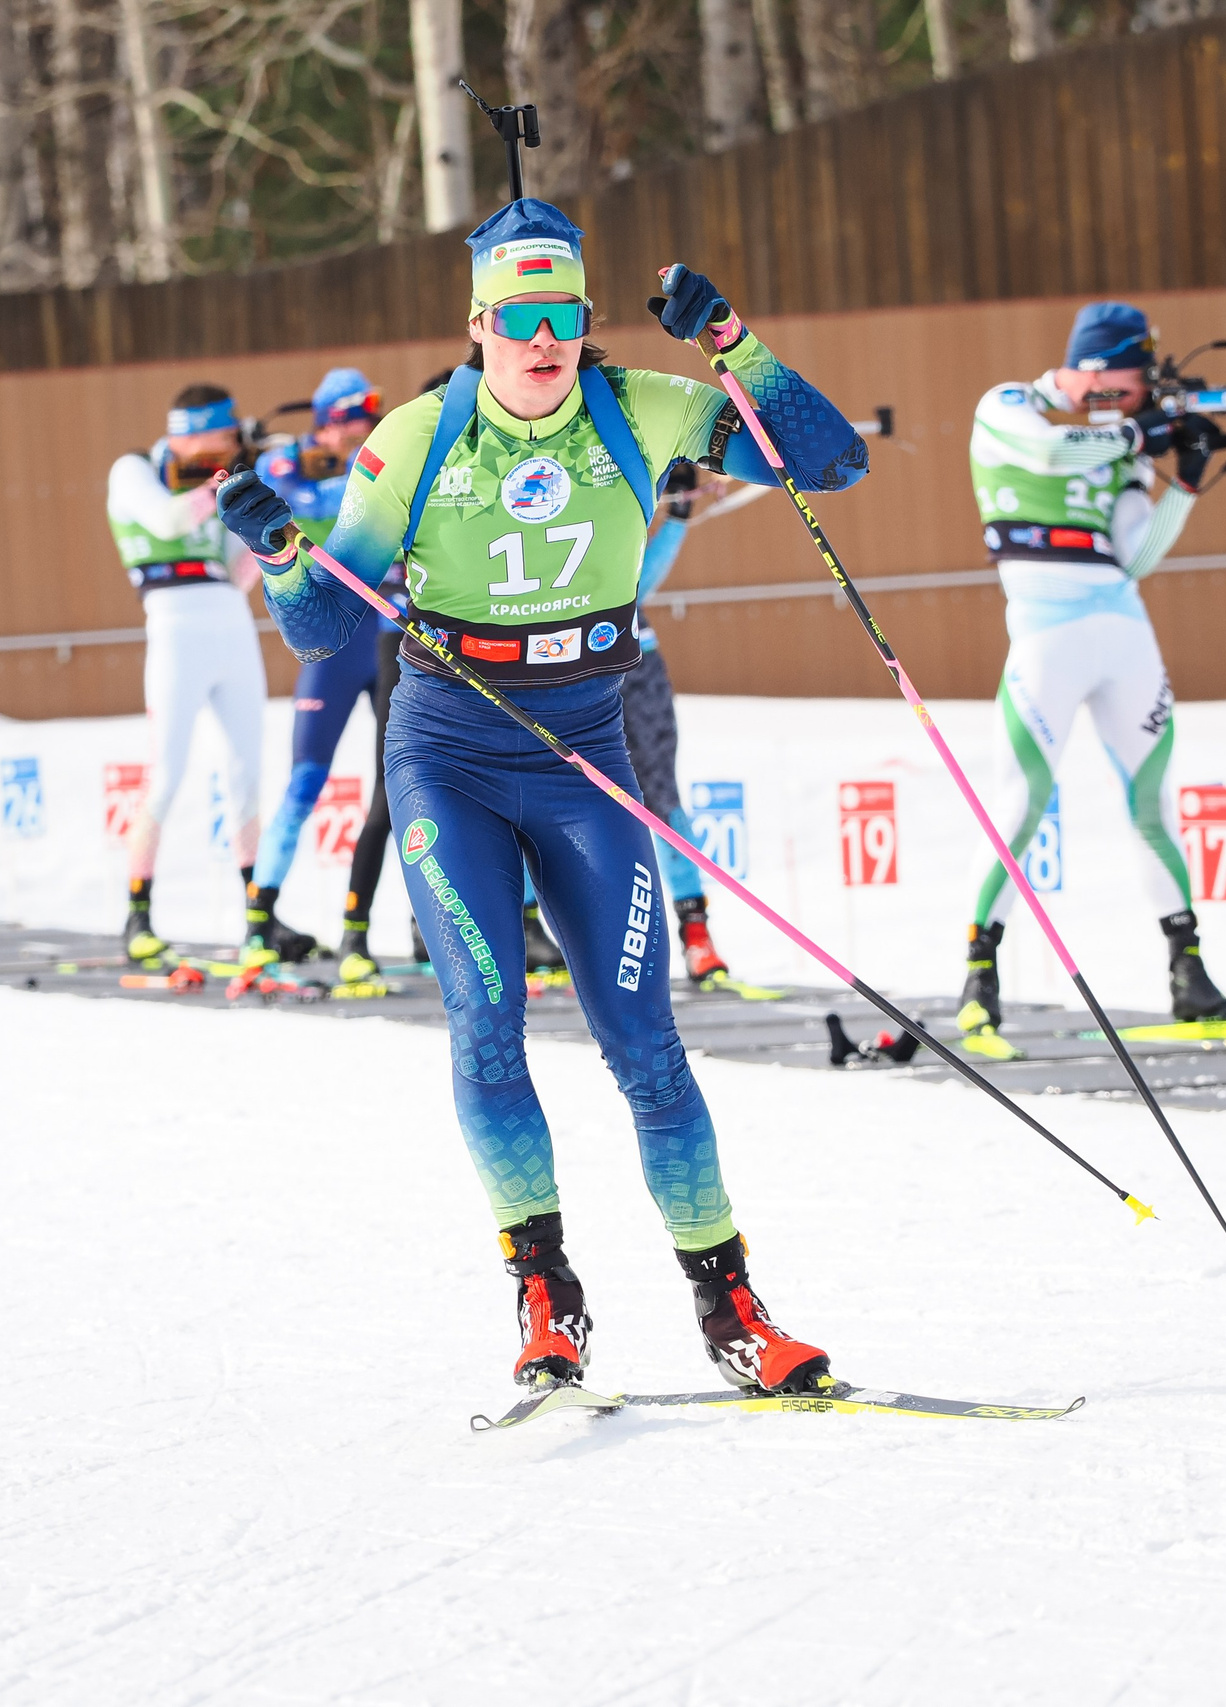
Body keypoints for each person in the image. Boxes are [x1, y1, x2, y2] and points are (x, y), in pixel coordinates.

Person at [214, 197, 868, 1394]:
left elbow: (832, 461)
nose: (543, 337)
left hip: (582, 753)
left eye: (563, 312)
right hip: (449, 757)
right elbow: (319, 633)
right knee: (488, 1017)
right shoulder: (416, 439)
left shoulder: (644, 408)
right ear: (479, 323)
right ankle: (545, 1295)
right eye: (518, 316)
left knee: (647, 1046)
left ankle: (731, 1309)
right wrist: (279, 556)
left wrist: (730, 341)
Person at [956, 300, 1226, 1058]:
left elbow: (1135, 553)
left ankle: (1190, 972)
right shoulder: (1010, 405)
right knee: (1024, 802)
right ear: (1097, 367)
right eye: (1134, 377)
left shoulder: (1120, 440)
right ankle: (980, 977)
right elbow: (1050, 454)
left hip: (1123, 627)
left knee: (1152, 804)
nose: (1143, 392)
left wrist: (1186, 480)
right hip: (1045, 634)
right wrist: (1139, 434)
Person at [111, 383, 265, 964]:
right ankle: (137, 914)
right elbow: (170, 520)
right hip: (173, 626)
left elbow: (233, 572)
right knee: (168, 772)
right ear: (199, 433)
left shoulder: (216, 478)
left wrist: (261, 513)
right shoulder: (133, 469)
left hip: (230, 622)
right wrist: (217, 485)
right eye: (227, 438)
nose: (231, 448)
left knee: (247, 772)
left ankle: (258, 918)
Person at [243, 368, 387, 967]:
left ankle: (378, 925)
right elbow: (290, 505)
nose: (365, 431)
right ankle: (258, 921)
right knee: (305, 784)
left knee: (398, 791)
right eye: (353, 420)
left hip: (383, 636)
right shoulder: (286, 466)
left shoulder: (365, 458)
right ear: (327, 424)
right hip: (332, 643)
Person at [623, 464, 742, 987]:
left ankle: (696, 934)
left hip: (632, 665)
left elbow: (635, 583)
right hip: (551, 666)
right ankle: (533, 931)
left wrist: (677, 507)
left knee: (661, 797)